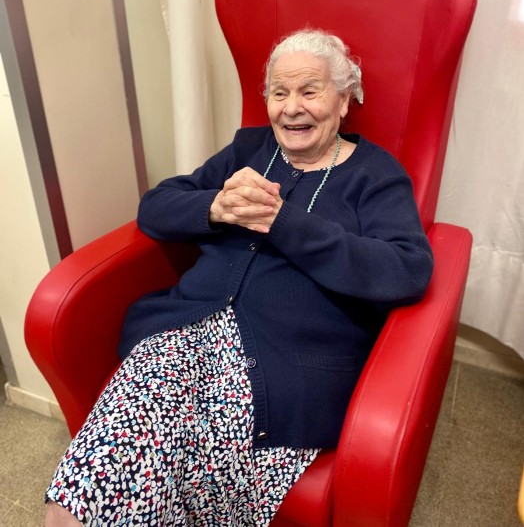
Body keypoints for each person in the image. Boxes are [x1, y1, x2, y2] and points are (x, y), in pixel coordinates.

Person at [45, 29, 434, 526]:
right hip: (182, 333)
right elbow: (156, 206)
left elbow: (406, 269)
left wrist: (283, 221)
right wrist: (216, 205)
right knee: (91, 485)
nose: (291, 108)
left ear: (343, 101)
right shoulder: (249, 148)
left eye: (309, 91)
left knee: (167, 460)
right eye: (279, 92)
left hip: (287, 364)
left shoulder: (375, 175)